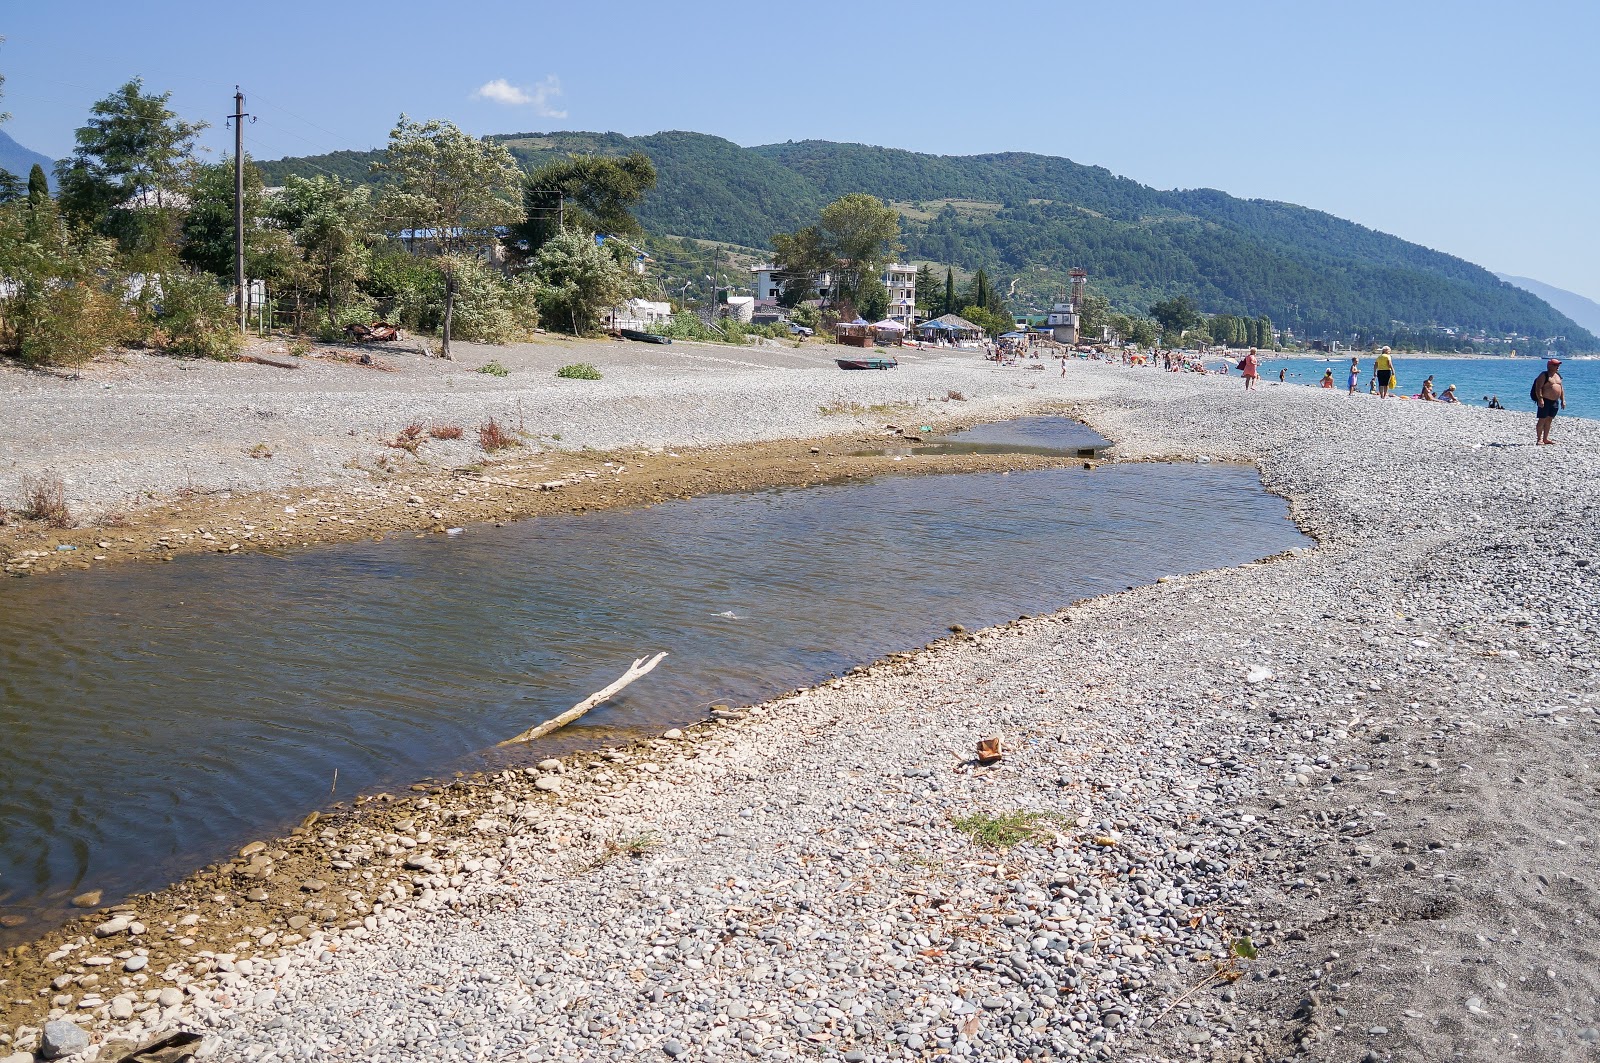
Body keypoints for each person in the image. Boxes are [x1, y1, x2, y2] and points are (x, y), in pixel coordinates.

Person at [1532, 358, 1566, 444]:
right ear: (1549, 366)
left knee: (1549, 419)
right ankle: (1539, 439)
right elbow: (1538, 388)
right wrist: (1540, 399)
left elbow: (1561, 388)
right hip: (1545, 400)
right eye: (1555, 365)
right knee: (1542, 419)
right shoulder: (1544, 375)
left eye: (1558, 365)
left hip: (1555, 401)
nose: (1557, 366)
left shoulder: (1558, 375)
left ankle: (1545, 438)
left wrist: (1563, 400)